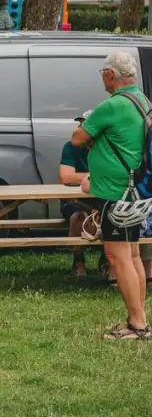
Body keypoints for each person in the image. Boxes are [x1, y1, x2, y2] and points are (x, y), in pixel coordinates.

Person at [72, 51, 152, 340]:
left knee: (119, 258)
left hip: (115, 194)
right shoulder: (142, 101)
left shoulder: (112, 105)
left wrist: (92, 133)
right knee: (131, 255)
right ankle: (138, 318)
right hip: (136, 190)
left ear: (110, 75)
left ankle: (138, 325)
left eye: (103, 73)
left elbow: (77, 138)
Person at [61, 110, 94, 278]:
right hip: (75, 199)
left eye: (85, 125)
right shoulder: (70, 146)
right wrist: (92, 176)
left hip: (99, 197)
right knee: (78, 216)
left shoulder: (105, 147)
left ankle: (106, 261)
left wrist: (79, 177)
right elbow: (66, 177)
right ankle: (78, 260)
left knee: (106, 216)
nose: (80, 127)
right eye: (80, 123)